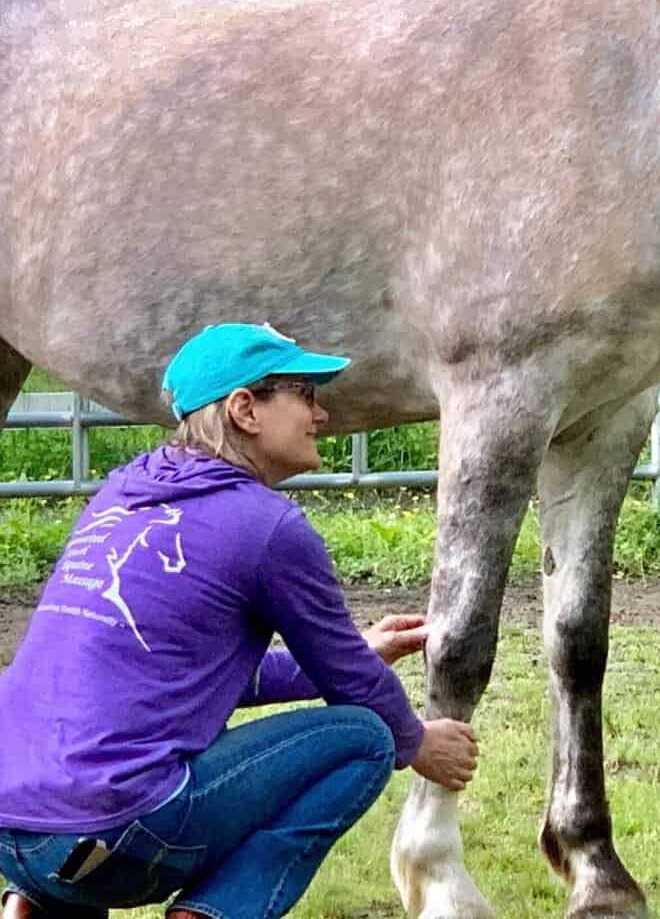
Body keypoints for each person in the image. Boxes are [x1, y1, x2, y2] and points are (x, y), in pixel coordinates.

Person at [0, 323, 477, 919]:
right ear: (245, 409)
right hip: (117, 831)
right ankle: (212, 914)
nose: (321, 415)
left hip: (13, 832)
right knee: (363, 739)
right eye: (305, 395)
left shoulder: (119, 495)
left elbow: (190, 670)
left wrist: (361, 648)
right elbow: (351, 682)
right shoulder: (266, 526)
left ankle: (36, 902)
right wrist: (417, 742)